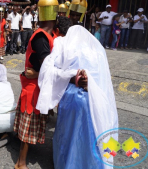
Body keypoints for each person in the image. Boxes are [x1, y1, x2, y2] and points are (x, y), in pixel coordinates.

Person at [37, 25, 118, 169]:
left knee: (68, 134)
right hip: (94, 98)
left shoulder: (63, 45)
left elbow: (49, 69)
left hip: (72, 96)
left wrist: (72, 77)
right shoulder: (96, 51)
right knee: (91, 134)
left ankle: (67, 163)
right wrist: (89, 82)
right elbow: (102, 78)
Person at [13, 0, 59, 169]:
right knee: (29, 127)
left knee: (32, 126)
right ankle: (20, 163)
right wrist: (39, 73)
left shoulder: (50, 35)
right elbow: (48, 65)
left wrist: (37, 73)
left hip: (38, 85)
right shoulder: (41, 37)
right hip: (33, 90)